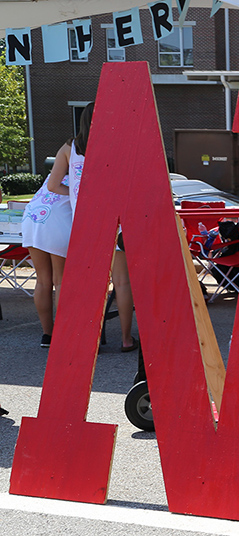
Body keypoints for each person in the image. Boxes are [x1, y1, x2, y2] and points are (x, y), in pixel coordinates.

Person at [65, 102, 136, 352]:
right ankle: (126, 339)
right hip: (114, 222)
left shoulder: (69, 148)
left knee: (88, 284)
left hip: (85, 223)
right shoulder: (117, 146)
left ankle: (86, 342)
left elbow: (53, 185)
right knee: (122, 283)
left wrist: (78, 194)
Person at [21, 140, 73, 347]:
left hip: (32, 220)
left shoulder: (52, 179)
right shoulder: (78, 180)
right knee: (60, 280)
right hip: (57, 224)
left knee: (43, 280)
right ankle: (61, 334)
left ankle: (47, 334)